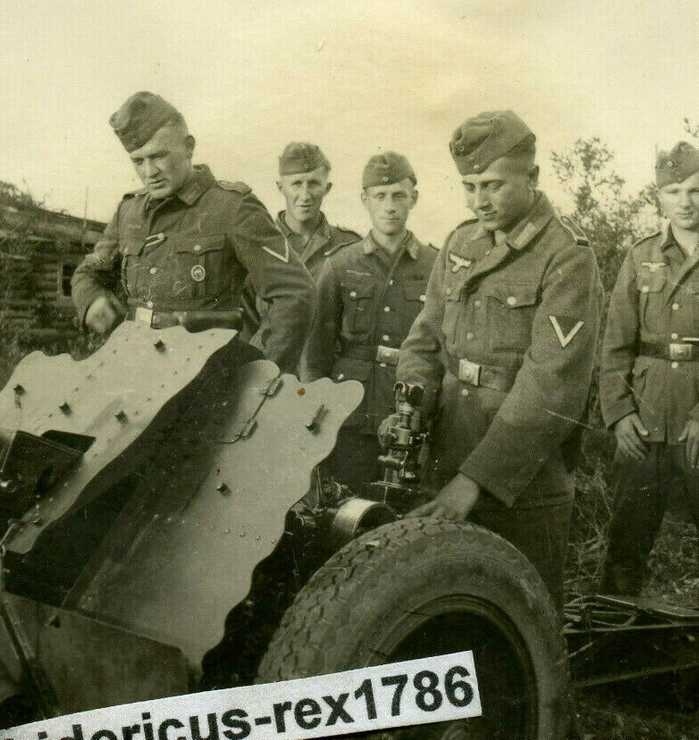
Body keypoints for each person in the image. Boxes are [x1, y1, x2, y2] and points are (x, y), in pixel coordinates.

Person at [394, 110, 603, 609]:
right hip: (448, 457)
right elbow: (424, 339)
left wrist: (475, 482)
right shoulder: (460, 242)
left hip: (519, 481)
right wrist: (409, 404)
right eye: (469, 186)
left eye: (492, 185)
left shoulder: (566, 256)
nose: (478, 201)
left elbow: (550, 386)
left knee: (523, 617)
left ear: (531, 178)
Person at [597, 142, 699, 596]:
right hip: (644, 422)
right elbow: (615, 343)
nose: (685, 202)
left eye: (695, 191)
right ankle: (619, 642)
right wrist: (618, 414)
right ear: (659, 196)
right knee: (625, 546)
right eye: (673, 191)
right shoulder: (640, 256)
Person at [71, 92, 315, 374]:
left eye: (159, 156)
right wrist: (91, 300)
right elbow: (87, 273)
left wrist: (259, 371)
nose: (149, 172)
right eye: (138, 161)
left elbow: (296, 293)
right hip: (134, 373)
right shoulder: (129, 212)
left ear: (188, 147)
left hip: (206, 379)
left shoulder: (232, 207)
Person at [303, 152, 438, 487]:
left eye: (398, 196)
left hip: (411, 415)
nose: (389, 206)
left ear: (414, 199)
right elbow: (314, 352)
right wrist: (319, 417)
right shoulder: (340, 265)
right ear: (365, 200)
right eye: (380, 196)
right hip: (351, 415)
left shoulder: (436, 266)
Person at [273, 142, 360, 281]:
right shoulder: (257, 243)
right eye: (296, 184)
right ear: (281, 187)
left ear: (327, 188)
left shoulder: (350, 245)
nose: (305, 195)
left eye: (313, 184)